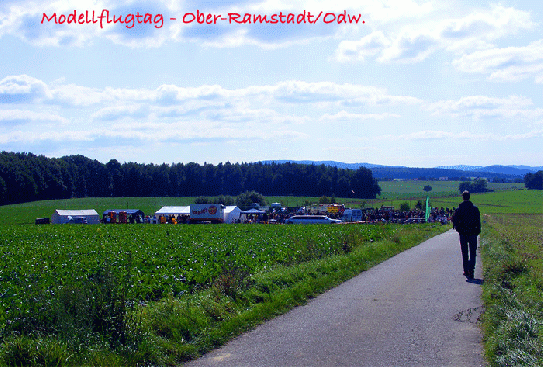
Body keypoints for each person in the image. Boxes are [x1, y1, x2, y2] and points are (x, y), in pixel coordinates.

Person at [452, 190, 481, 279]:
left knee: (464, 253)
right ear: (469, 197)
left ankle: (466, 270)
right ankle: (471, 269)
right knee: (473, 252)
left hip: (463, 233)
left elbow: (454, 220)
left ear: (462, 197)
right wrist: (477, 231)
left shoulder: (459, 209)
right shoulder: (474, 208)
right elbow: (478, 221)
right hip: (472, 233)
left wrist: (458, 229)